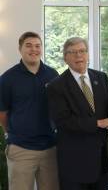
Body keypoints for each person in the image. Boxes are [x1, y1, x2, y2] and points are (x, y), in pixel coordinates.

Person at [47, 37, 108, 190]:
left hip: (101, 160)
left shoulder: (101, 78)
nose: (79, 56)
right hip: (74, 164)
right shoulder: (56, 86)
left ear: (88, 55)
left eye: (82, 51)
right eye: (73, 52)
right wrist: (98, 123)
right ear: (65, 58)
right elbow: (63, 121)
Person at [0, 31, 59, 190]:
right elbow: (2, 113)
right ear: (20, 49)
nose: (34, 49)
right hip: (21, 149)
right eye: (29, 45)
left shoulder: (53, 75)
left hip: (50, 148)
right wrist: (12, 131)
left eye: (37, 46)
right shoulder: (7, 78)